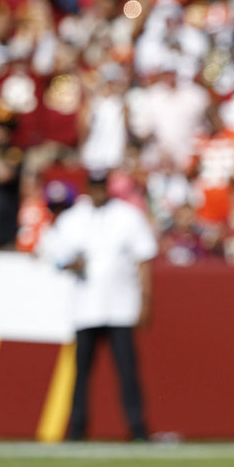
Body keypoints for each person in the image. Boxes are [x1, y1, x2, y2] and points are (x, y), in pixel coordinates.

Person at [40, 171, 156, 441]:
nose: (98, 190)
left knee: (127, 370)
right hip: (86, 306)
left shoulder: (128, 216)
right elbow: (52, 253)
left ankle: (137, 426)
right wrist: (69, 263)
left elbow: (144, 257)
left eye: (102, 185)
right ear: (87, 187)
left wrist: (146, 299)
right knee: (81, 372)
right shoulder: (72, 219)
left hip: (121, 305)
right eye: (93, 185)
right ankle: (77, 428)